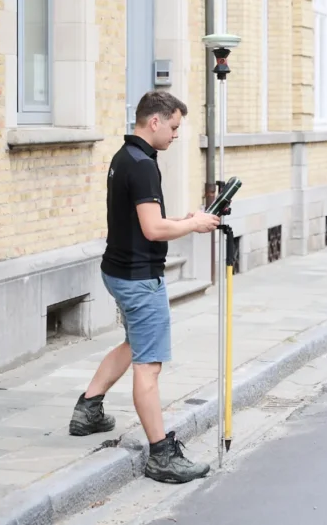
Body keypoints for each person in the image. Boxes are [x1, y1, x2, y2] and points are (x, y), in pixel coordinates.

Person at [68, 90, 220, 484]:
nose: (175, 135)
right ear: (154, 122)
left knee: (137, 342)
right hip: (138, 278)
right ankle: (161, 454)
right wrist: (194, 225)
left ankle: (88, 409)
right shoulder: (142, 166)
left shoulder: (126, 157)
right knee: (148, 366)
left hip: (117, 270)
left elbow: (145, 220)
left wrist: (182, 219)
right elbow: (153, 229)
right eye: (173, 127)